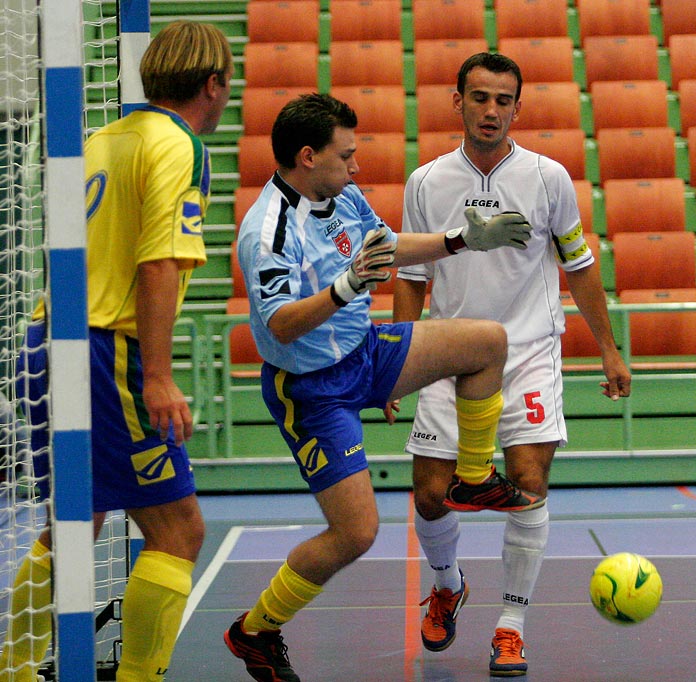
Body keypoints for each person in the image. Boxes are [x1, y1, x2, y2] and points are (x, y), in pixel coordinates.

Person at [224, 92, 545, 682]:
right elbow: (278, 323)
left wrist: (461, 240)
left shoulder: (340, 193)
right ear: (306, 157)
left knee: (487, 343)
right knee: (356, 534)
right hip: (313, 388)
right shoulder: (267, 229)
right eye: (345, 156)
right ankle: (255, 630)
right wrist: (347, 288)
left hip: (365, 352)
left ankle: (472, 478)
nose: (356, 167)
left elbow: (386, 248)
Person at [0, 21, 232, 682]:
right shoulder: (178, 146)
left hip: (46, 343)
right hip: (106, 354)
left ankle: (14, 668)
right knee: (179, 531)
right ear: (213, 85)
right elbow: (159, 261)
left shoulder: (102, 139)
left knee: (78, 519)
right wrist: (156, 376)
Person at [392, 52, 632, 677]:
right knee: (430, 495)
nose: (491, 110)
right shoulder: (426, 182)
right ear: (458, 102)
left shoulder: (549, 178)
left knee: (526, 483)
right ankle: (446, 584)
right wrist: (397, 357)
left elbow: (577, 265)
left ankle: (510, 627)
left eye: (503, 100)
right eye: (479, 98)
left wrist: (608, 347)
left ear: (517, 109)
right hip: (447, 354)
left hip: (527, 355)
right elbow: (412, 276)